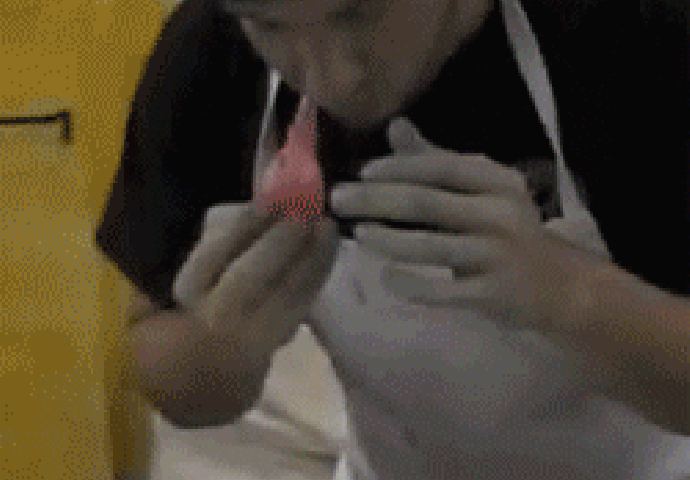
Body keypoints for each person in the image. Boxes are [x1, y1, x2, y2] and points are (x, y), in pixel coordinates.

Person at [95, 0, 689, 478]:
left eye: (359, 14)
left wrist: (572, 295)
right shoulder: (214, 50)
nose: (332, 78)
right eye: (270, 25)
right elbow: (163, 363)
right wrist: (222, 345)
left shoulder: (635, 33)